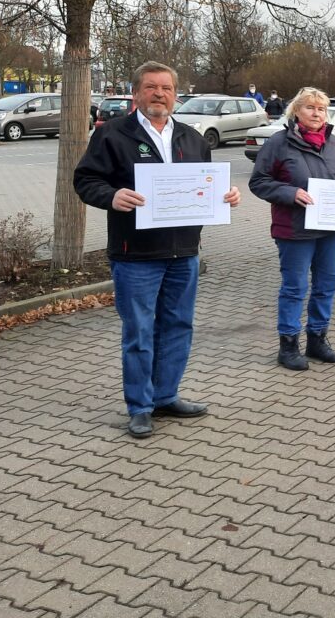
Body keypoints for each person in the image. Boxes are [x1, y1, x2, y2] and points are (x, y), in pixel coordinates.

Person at [74, 61, 242, 439]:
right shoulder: (113, 135)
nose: (159, 94)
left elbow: (205, 186)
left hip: (184, 252)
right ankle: (140, 406)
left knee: (179, 326)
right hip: (136, 254)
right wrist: (112, 195)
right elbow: (85, 179)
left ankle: (166, 395)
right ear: (136, 93)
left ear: (176, 95)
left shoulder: (192, 138)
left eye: (166, 88)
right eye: (151, 87)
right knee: (139, 331)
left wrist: (226, 195)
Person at [249, 87, 335, 370]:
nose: (316, 113)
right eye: (310, 107)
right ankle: (289, 345)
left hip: (331, 229)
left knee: (326, 286)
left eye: (321, 109)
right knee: (295, 288)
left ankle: (318, 339)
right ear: (296, 111)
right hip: (294, 229)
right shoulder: (279, 143)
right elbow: (258, 181)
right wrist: (290, 193)